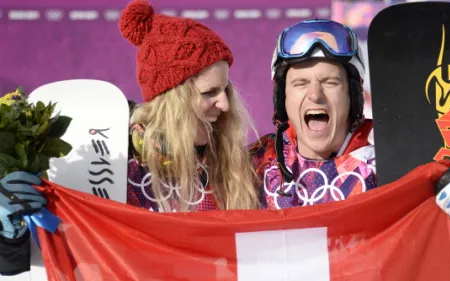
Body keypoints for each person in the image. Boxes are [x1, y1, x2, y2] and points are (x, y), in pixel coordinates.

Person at [0, 0, 260, 275]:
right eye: (210, 93)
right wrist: (9, 231)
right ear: (172, 100)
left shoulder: (234, 168)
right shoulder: (113, 158)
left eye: (226, 91)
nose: (225, 105)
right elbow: (41, 260)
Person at [249, 18, 450, 237]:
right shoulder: (252, 166)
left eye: (331, 82)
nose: (315, 95)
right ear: (283, 98)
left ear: (353, 96)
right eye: (300, 83)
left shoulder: (393, 168)